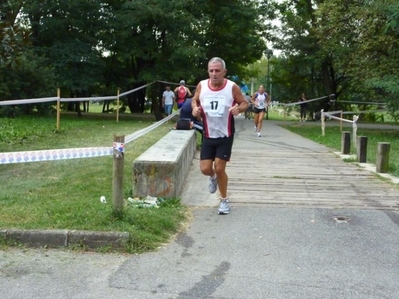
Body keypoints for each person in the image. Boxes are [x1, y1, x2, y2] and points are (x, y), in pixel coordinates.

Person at [192, 57, 248, 215]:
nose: (214, 74)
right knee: (205, 169)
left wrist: (239, 109)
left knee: (220, 167)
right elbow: (194, 100)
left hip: (225, 134)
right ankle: (212, 177)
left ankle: (224, 201)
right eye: (211, 71)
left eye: (217, 71)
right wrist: (195, 109)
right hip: (208, 134)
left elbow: (244, 103)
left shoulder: (231, 87)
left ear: (224, 72)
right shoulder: (202, 85)